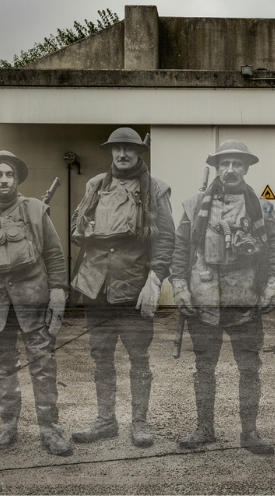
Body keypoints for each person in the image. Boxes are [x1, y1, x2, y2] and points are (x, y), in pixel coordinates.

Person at [169, 139, 275, 455]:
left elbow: (274, 252)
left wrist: (274, 285)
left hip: (245, 303)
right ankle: (204, 429)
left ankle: (249, 433)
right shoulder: (193, 206)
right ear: (216, 168)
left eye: (237, 164)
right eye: (224, 164)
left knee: (249, 369)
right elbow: (180, 253)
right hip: (202, 303)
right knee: (204, 368)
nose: (230, 170)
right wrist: (179, 288)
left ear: (246, 168)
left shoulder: (261, 208)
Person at [0, 150, 71, 456]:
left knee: (43, 366)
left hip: (33, 300)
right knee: (4, 367)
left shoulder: (35, 210)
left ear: (16, 178)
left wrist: (58, 294)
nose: (4, 180)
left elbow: (55, 256)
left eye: (9, 174)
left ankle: (51, 430)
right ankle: (8, 428)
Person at [69, 127, 175, 448]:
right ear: (111, 152)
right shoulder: (96, 185)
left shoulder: (155, 189)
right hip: (94, 285)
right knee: (101, 356)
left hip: (133, 287)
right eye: (116, 149)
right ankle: (105, 421)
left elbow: (167, 240)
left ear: (140, 153)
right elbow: (77, 225)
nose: (122, 154)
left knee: (138, 357)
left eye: (129, 149)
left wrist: (154, 281)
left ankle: (139, 424)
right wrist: (82, 228)